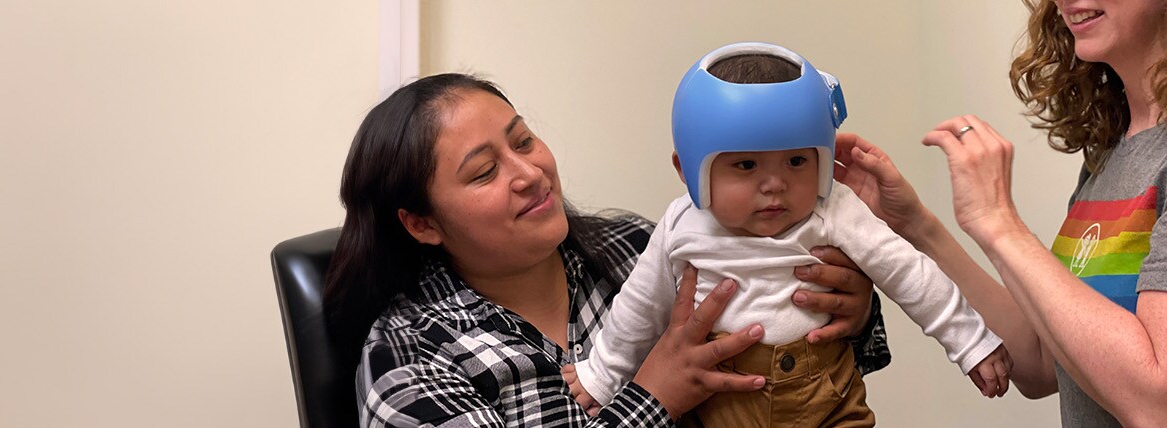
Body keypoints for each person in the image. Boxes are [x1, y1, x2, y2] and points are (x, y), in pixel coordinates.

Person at [834, 0, 1167, 428]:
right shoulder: (1114, 153)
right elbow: (1043, 363)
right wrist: (921, 228)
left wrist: (1002, 223)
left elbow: (1155, 401)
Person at [322, 72, 891, 427]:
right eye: (484, 172)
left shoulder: (637, 249)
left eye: (523, 141)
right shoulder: (408, 359)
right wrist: (653, 397)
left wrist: (850, 311)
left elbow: (803, 382)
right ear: (422, 223)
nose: (529, 173)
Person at [564, 43, 1010, 427]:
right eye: (746, 165)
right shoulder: (681, 225)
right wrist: (603, 374)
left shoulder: (833, 209)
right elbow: (639, 307)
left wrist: (969, 342)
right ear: (690, 171)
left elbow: (909, 273)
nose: (774, 184)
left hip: (827, 395)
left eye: (796, 161)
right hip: (719, 403)